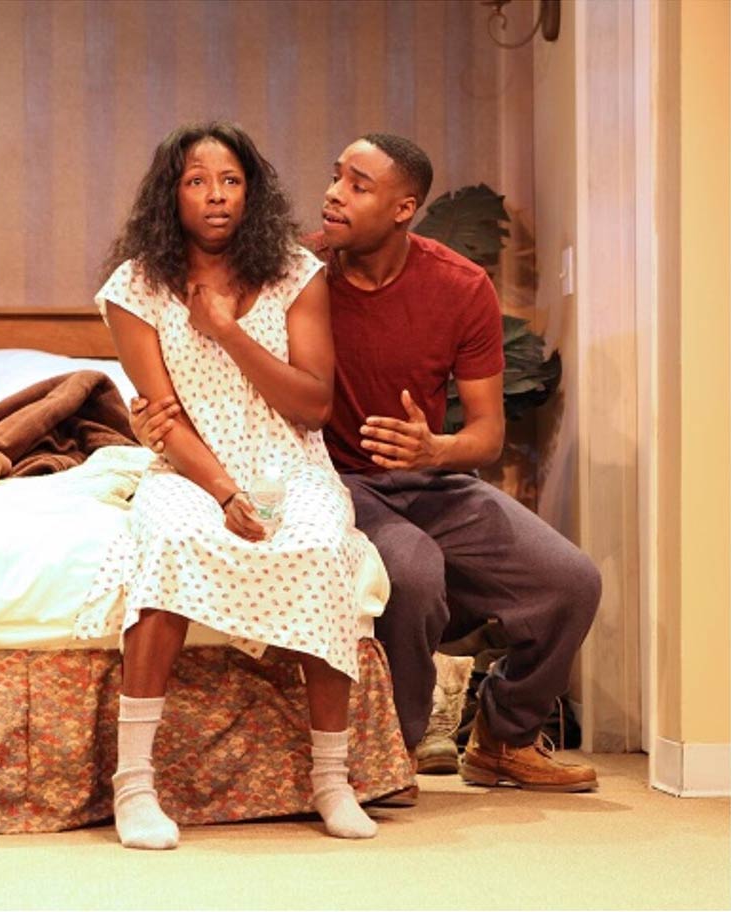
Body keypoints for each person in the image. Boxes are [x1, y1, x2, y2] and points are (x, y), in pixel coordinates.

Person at [132, 133, 603, 798]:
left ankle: (505, 737)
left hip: (435, 480)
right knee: (412, 571)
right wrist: (150, 420)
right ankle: (392, 757)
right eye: (335, 177)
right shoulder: (291, 271)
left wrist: (435, 450)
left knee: (570, 581)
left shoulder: (460, 286)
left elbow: (487, 435)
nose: (333, 194)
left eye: (357, 185)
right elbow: (206, 374)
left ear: (404, 208)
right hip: (335, 477)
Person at [75, 121, 381, 849]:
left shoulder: (295, 273)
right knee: (170, 543)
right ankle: (134, 785)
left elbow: (314, 405)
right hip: (190, 465)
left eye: (230, 180)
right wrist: (222, 492)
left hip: (289, 462)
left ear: (251, 191)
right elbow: (163, 417)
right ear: (171, 195)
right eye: (196, 181)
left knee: (321, 546)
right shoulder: (135, 288)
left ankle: (331, 780)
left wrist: (228, 331)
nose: (215, 195)